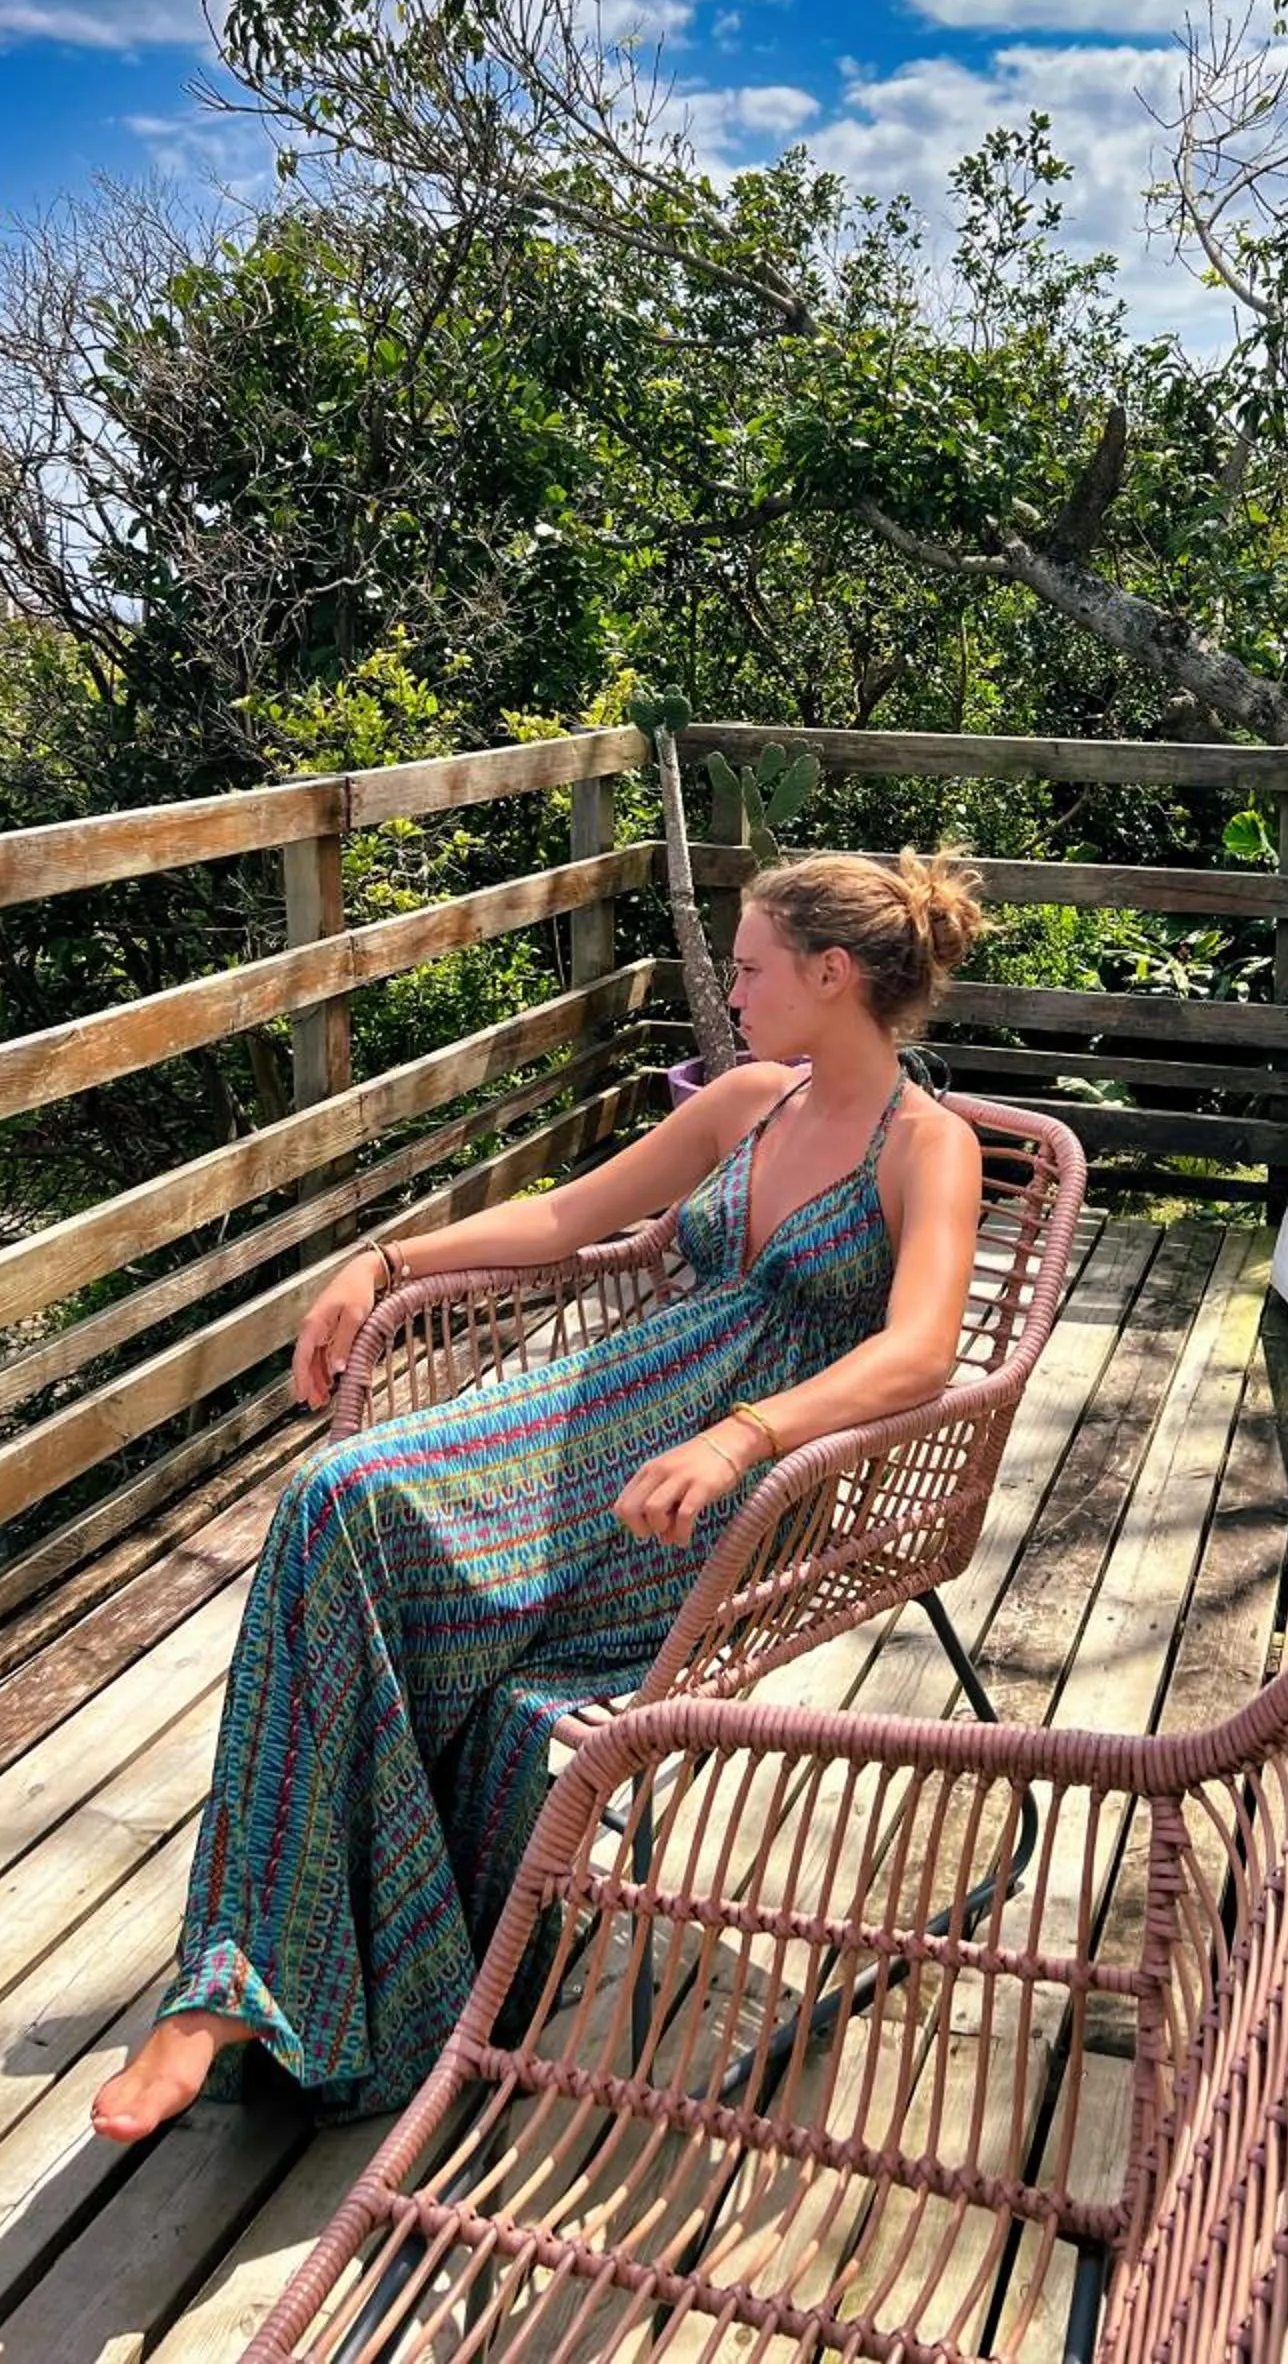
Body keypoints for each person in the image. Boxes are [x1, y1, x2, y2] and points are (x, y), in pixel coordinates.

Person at [91, 848, 987, 2139]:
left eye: (748, 969)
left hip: (735, 1491)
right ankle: (242, 1980)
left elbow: (920, 1349)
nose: (732, 994)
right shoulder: (749, 1100)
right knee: (337, 1500)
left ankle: (257, 1982)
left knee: (356, 1511)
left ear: (831, 975)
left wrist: (742, 1438)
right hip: (608, 1409)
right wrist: (379, 1258)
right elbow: (567, 1218)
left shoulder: (926, 1147)